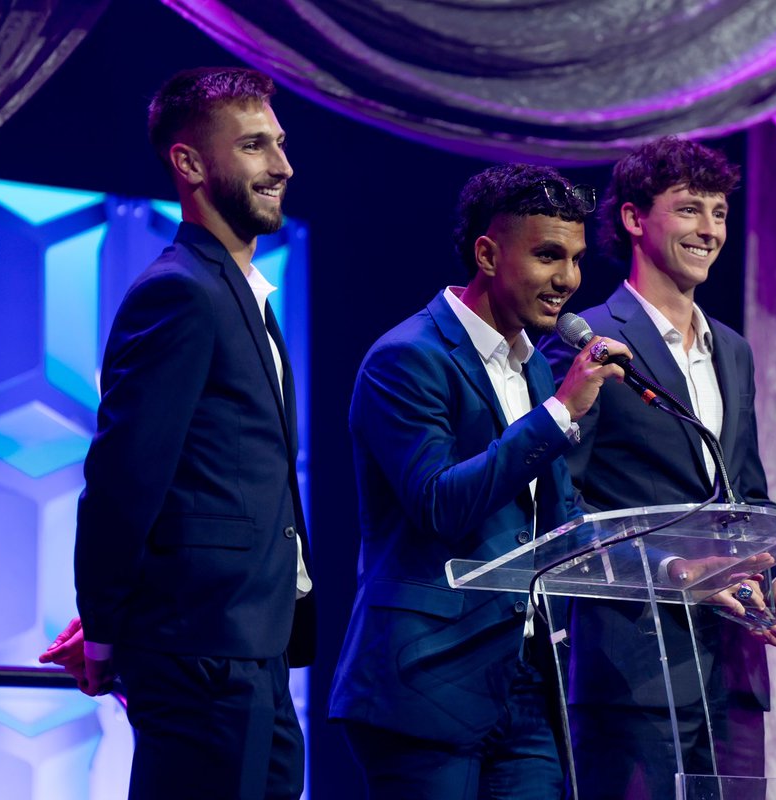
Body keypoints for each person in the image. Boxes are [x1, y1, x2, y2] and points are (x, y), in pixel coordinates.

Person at [39, 66, 314, 800]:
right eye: (255, 146)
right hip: (203, 652)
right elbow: (125, 479)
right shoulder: (180, 291)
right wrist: (105, 628)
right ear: (189, 163)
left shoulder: (239, 294)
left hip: (253, 646)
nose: (282, 165)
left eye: (280, 144)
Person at [328, 164, 628, 799]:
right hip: (426, 683)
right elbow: (439, 503)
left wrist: (684, 572)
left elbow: (563, 524)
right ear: (488, 254)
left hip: (521, 684)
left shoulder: (533, 371)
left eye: (575, 259)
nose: (569, 280)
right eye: (549, 256)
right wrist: (561, 413)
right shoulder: (408, 358)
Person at [539, 136, 776, 798]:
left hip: (735, 669)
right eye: (690, 209)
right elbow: (560, 509)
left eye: (719, 212)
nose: (710, 229)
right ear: (635, 218)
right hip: (634, 671)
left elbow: (748, 493)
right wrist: (670, 572)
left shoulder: (735, 351)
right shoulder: (591, 343)